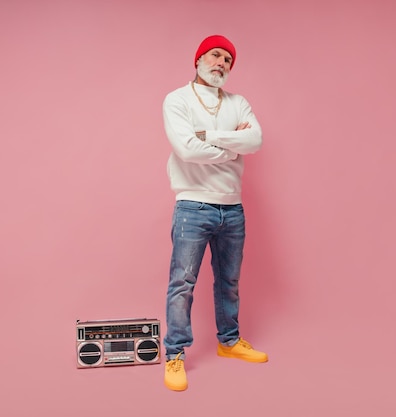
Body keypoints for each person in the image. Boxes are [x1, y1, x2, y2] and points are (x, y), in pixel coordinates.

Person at [162, 34, 268, 392]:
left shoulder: (239, 102)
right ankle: (175, 354)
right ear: (198, 59)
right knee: (182, 283)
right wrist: (230, 145)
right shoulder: (176, 99)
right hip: (192, 204)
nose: (221, 63)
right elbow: (186, 149)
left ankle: (229, 342)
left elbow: (255, 141)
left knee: (229, 281)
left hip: (232, 206)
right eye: (214, 55)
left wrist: (208, 135)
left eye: (227, 59)